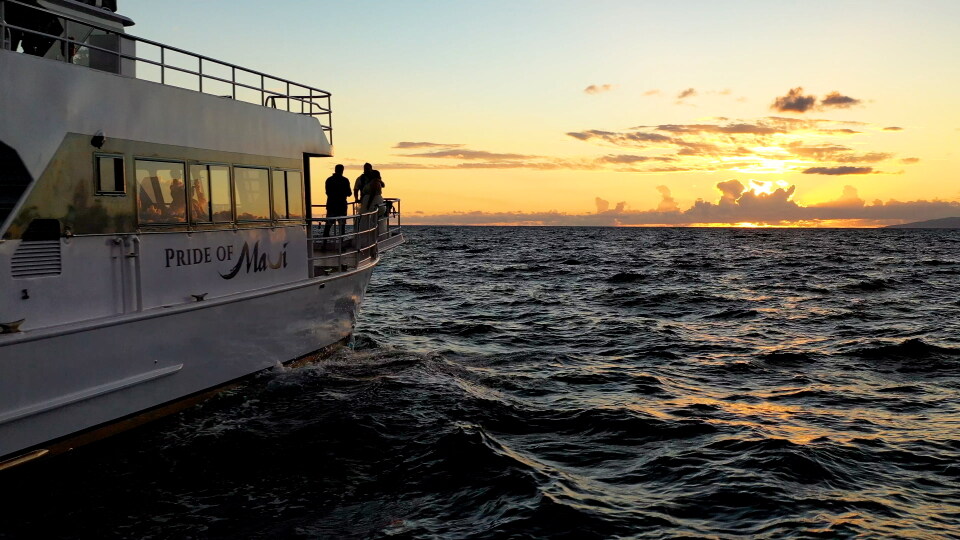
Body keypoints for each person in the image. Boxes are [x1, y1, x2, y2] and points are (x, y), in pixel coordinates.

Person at [323, 164, 351, 239]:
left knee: (328, 226)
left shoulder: (329, 180)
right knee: (342, 226)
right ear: (342, 170)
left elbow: (327, 192)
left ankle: (324, 243)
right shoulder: (345, 180)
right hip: (341, 206)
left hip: (331, 205)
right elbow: (349, 193)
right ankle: (341, 244)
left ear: (335, 170)